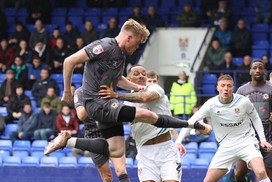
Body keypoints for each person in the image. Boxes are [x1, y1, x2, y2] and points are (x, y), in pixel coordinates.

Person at [46, 19, 206, 163]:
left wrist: (137, 87)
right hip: (96, 102)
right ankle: (193, 124)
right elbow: (69, 61)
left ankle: (68, 140)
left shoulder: (120, 56)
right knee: (147, 115)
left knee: (116, 150)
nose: (137, 48)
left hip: (106, 104)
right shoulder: (105, 46)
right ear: (129, 37)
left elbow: (118, 79)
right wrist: (67, 91)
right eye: (137, 43)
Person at [100, 65, 191, 182]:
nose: (141, 76)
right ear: (128, 78)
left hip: (166, 149)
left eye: (143, 73)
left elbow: (145, 97)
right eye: (136, 74)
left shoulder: (155, 89)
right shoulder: (124, 105)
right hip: (146, 154)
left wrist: (117, 95)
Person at [176, 74, 272, 182]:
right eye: (222, 86)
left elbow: (256, 118)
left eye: (228, 86)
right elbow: (191, 121)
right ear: (217, 87)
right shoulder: (211, 104)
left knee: (261, 172)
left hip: (247, 142)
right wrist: (178, 141)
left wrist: (262, 139)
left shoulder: (243, 101)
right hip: (226, 147)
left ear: (233, 87)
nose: (225, 89)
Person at [73, 86, 138, 182]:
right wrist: (95, 101)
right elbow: (81, 115)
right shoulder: (80, 92)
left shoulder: (107, 88)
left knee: (121, 170)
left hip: (112, 133)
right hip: (93, 137)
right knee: (107, 177)